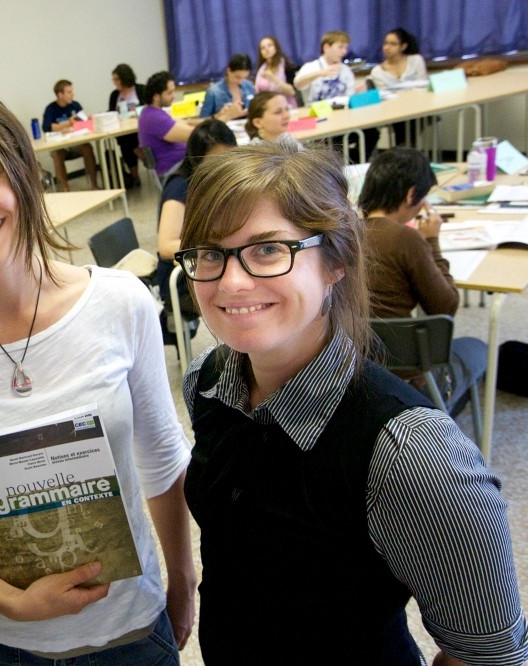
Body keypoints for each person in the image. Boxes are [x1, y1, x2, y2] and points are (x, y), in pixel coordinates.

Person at [0, 86, 196, 664]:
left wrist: (183, 582)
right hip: (0, 645)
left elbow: (161, 455)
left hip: (130, 627)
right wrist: (11, 603)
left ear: (23, 169)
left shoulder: (121, 303)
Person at [176, 141, 528, 664]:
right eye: (209, 253)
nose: (231, 282)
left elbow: (489, 654)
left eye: (268, 249)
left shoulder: (412, 454)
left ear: (335, 261)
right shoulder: (207, 382)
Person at [358, 147, 486, 402]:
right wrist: (432, 242)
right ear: (411, 195)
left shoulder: (344, 233)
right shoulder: (406, 239)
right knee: (479, 349)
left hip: (356, 370)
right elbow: (446, 306)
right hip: (404, 379)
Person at [156, 119, 237, 321]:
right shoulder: (180, 187)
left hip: (211, 262)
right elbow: (166, 246)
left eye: (228, 159)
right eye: (214, 162)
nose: (221, 168)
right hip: (183, 275)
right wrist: (216, 249)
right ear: (196, 159)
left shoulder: (219, 181)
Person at [294, 31, 374, 161]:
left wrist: (358, 91)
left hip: (343, 117)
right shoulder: (311, 67)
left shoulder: (345, 70)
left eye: (346, 48)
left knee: (371, 132)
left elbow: (349, 96)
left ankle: (354, 163)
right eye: (340, 47)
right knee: (332, 142)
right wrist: (320, 73)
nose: (344, 52)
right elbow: (298, 84)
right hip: (319, 119)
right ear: (326, 47)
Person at [368, 28, 429, 147]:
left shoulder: (416, 60)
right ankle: (404, 149)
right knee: (402, 122)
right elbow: (384, 96)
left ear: (403, 46)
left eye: (393, 44)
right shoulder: (377, 71)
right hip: (394, 111)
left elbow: (423, 85)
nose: (387, 47)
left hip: (418, 106)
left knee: (412, 120)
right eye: (385, 43)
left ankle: (405, 149)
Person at [138, 71, 205, 176]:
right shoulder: (155, 118)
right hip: (174, 170)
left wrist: (215, 119)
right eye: (169, 93)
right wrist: (219, 121)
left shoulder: (150, 112)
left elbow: (185, 123)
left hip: (177, 164)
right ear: (156, 96)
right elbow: (195, 134)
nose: (174, 96)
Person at [41, 79, 100, 191]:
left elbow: (83, 122)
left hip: (76, 143)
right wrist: (67, 124)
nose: (72, 94)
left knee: (87, 148)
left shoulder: (75, 105)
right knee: (57, 154)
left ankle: (94, 185)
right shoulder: (51, 109)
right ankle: (66, 190)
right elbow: (46, 127)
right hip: (60, 145)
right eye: (69, 92)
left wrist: (88, 119)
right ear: (60, 94)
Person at [107, 63, 145, 188]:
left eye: (117, 79)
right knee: (125, 141)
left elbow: (148, 108)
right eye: (113, 79)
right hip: (122, 130)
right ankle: (136, 173)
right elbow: (111, 112)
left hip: (140, 127)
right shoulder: (114, 95)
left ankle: (137, 171)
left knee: (129, 141)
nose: (114, 82)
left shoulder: (141, 89)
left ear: (125, 77)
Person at [198, 53, 255, 120]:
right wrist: (220, 115)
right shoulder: (213, 92)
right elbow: (202, 121)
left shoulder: (249, 86)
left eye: (244, 78)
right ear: (228, 70)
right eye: (237, 77)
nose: (240, 81)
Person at [255, 35, 297, 107]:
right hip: (267, 106)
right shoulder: (261, 69)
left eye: (269, 45)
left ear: (276, 47)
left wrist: (274, 79)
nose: (266, 49)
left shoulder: (286, 65)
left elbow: (292, 91)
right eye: (263, 48)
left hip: (286, 105)